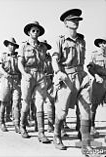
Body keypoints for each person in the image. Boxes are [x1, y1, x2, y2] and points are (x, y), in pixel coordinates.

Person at [51, 9, 93, 154]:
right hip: (67, 77)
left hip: (82, 76)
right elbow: (54, 58)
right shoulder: (60, 40)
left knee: (86, 110)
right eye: (73, 20)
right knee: (62, 112)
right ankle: (57, 135)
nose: (76, 22)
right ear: (65, 23)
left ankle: (86, 143)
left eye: (77, 20)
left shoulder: (82, 40)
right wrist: (58, 72)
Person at [18, 21, 51, 143]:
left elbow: (46, 62)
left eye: (37, 31)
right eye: (33, 30)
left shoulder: (42, 47)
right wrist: (24, 74)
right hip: (28, 74)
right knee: (26, 102)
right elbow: (20, 63)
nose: (35, 33)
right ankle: (22, 126)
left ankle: (41, 133)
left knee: (40, 102)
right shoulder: (23, 46)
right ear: (29, 32)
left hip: (40, 76)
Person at [0, 37, 21, 132]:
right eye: (10, 45)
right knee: (4, 102)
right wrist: (5, 73)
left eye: (13, 45)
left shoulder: (18, 57)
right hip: (5, 80)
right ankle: (2, 122)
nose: (12, 47)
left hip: (16, 81)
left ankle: (17, 124)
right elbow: (0, 67)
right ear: (7, 46)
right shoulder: (3, 56)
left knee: (16, 103)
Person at [87, 37, 106, 136]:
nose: (105, 45)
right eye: (103, 43)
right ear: (99, 44)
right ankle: (91, 126)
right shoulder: (95, 54)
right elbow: (90, 67)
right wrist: (96, 75)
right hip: (98, 82)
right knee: (93, 105)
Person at [40, 39, 55, 133]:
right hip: (38, 81)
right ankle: (39, 126)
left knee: (50, 103)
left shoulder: (50, 58)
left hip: (49, 81)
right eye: (42, 46)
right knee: (38, 104)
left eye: (45, 46)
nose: (44, 48)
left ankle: (50, 125)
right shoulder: (36, 57)